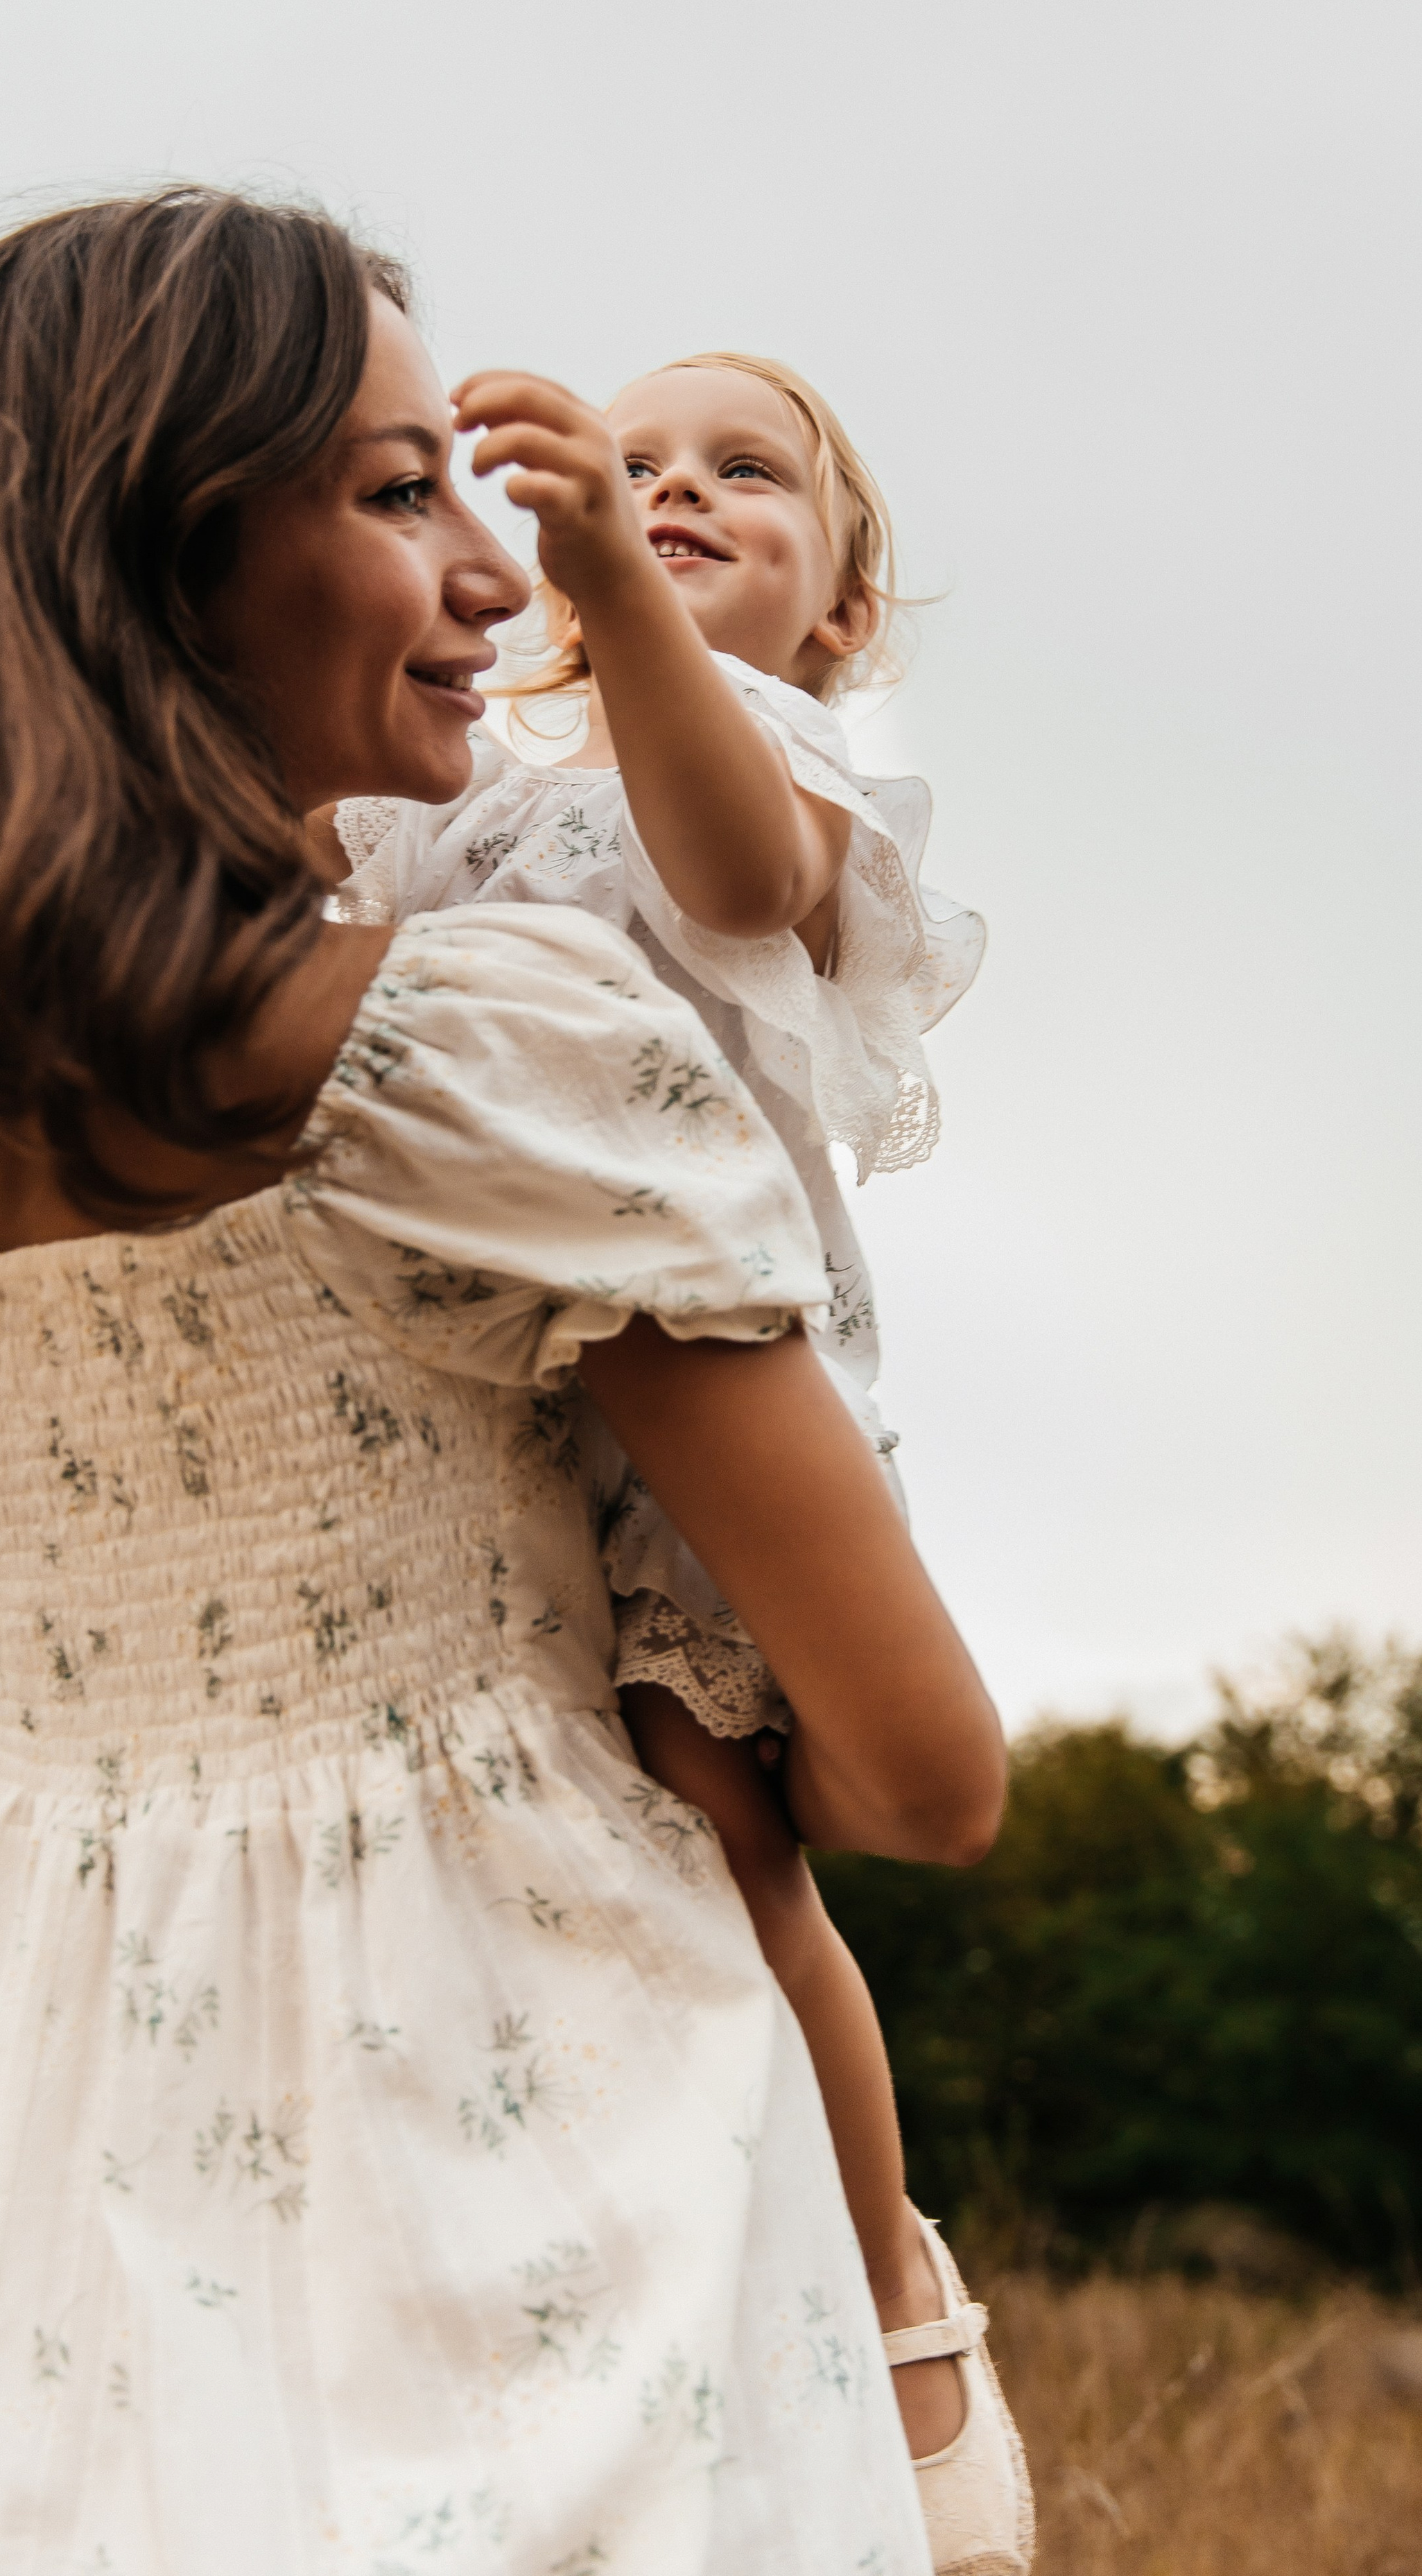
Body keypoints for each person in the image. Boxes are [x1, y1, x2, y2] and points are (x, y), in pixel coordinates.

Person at [0, 189, 1009, 2575]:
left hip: (4, 2125)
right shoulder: (474, 1047)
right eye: (398, 496)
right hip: (522, 2144)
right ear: (160, 562)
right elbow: (920, 1775)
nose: (499, 573)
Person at [311, 352, 1030, 2562]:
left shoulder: (777, 755)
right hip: (506, 1378)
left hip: (719, 1392)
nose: (674, 489)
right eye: (631, 468)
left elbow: (728, 883)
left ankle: (887, 2278)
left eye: (742, 476)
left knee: (728, 1842)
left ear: (839, 615)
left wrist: (617, 588)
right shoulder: (494, 797)